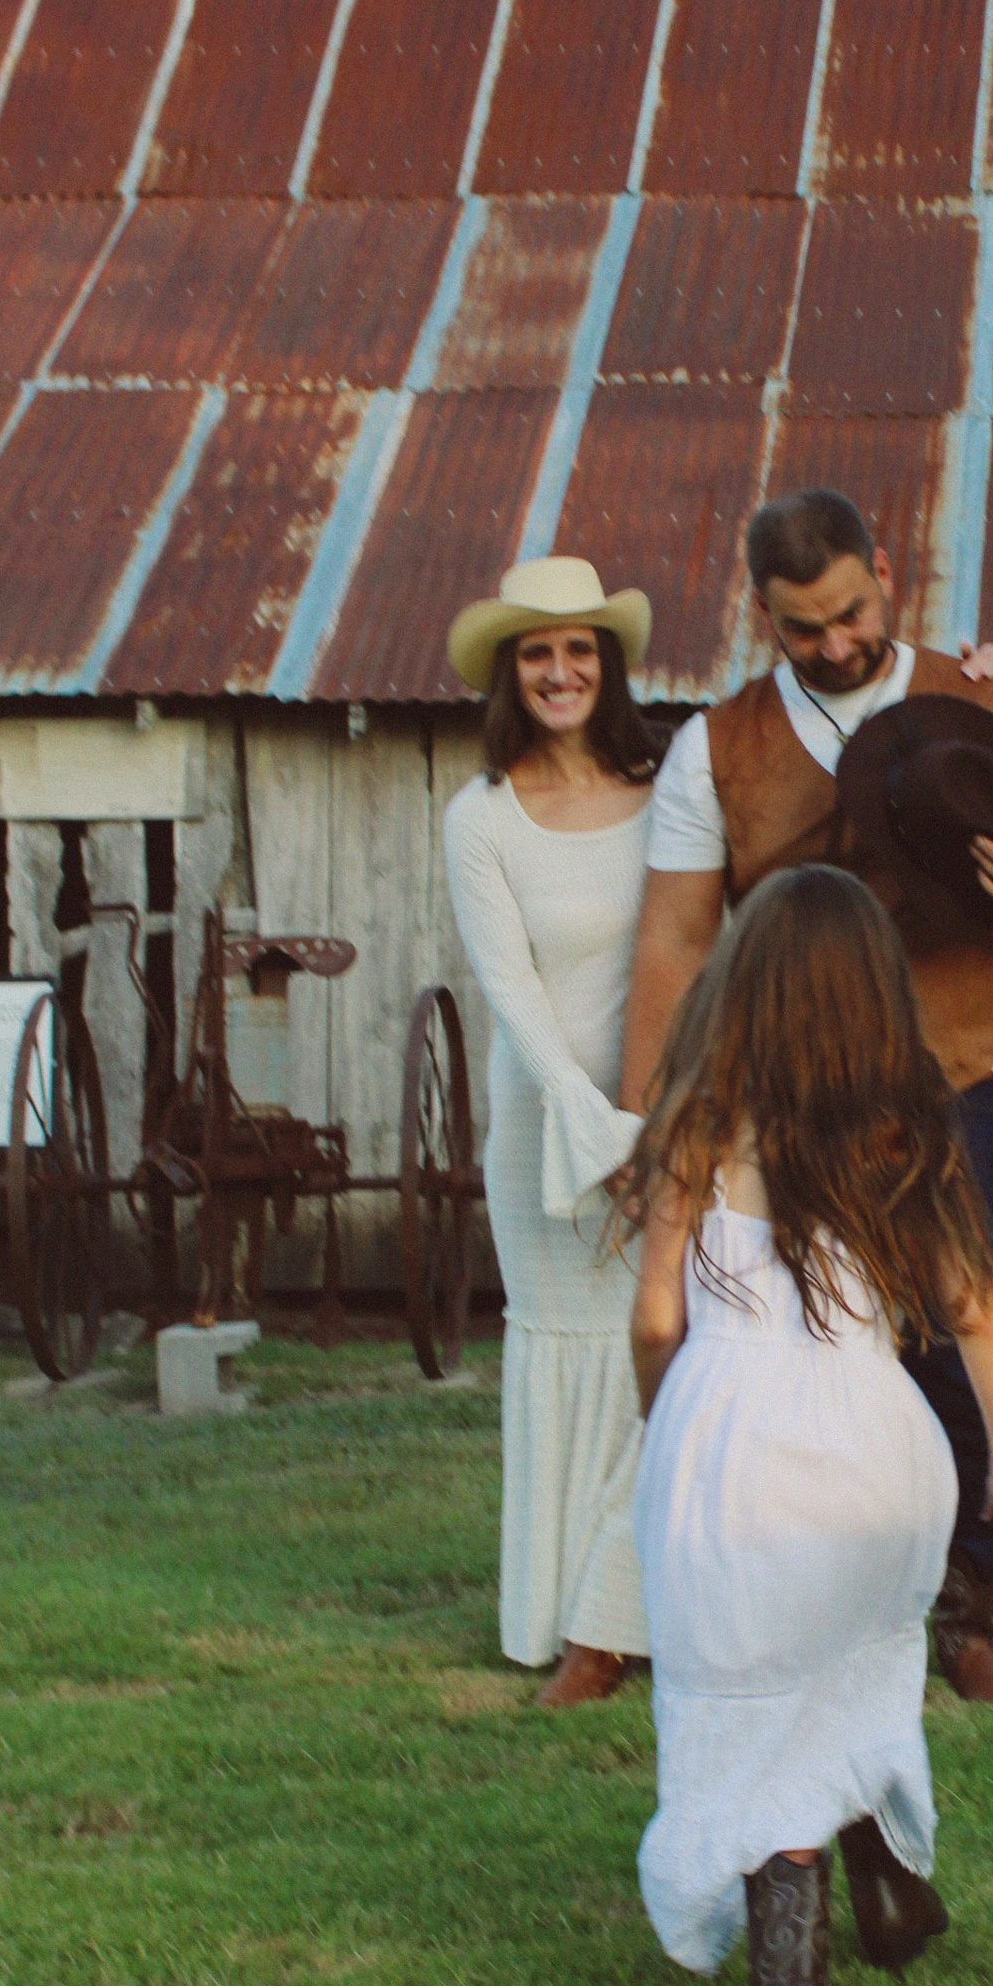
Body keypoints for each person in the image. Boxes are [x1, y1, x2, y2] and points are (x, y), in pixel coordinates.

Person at [619, 490, 993, 1706]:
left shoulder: (990, 703)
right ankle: (822, 1599)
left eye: (850, 613)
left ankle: (972, 1615)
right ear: (762, 616)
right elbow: (674, 940)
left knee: (965, 1337)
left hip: (962, 1072)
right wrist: (647, 1121)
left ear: (884, 571)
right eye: (803, 628)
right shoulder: (713, 747)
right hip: (785, 1100)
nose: (835, 643)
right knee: (799, 1353)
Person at [617, 864, 993, 1986]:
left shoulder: (699, 1126)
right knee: (849, 1664)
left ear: (740, 986)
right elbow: (980, 1310)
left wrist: (666, 1421)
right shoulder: (906, 1132)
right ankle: (893, 1892)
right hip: (880, 1454)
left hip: (741, 1447)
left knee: (749, 1695)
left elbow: (656, 1318)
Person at [440, 555, 657, 1707]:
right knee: (565, 1352)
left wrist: (654, 1128)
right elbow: (512, 992)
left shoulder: (670, 792)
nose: (560, 671)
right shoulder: (479, 818)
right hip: (545, 1126)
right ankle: (561, 1621)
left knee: (654, 1352)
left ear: (607, 665)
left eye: (579, 649)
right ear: (510, 673)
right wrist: (593, 1133)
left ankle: (634, 1616)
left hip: (662, 1123)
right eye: (537, 653)